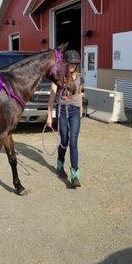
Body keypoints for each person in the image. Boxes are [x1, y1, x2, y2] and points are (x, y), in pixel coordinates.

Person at [46, 50, 84, 188]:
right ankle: (60, 165)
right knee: (64, 140)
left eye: (75, 63)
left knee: (73, 142)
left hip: (74, 112)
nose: (73, 65)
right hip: (62, 110)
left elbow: (79, 94)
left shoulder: (79, 78)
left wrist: (80, 110)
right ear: (65, 64)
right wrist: (49, 115)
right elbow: (51, 98)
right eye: (70, 63)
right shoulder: (58, 78)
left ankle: (75, 176)